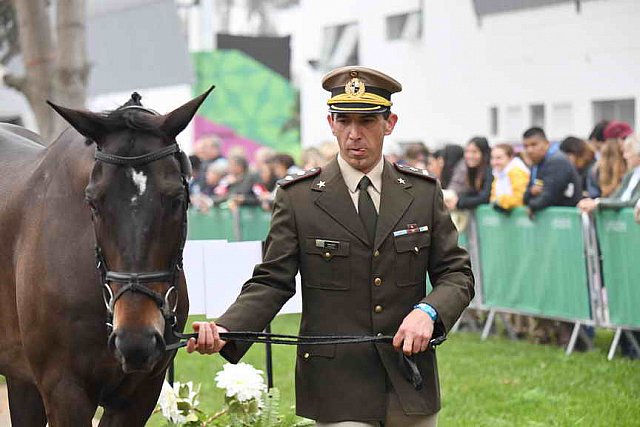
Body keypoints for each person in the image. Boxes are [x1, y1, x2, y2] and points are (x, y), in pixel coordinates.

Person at [186, 66, 474, 427]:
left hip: (409, 378)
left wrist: (428, 313)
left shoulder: (422, 193)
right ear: (331, 123)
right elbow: (273, 281)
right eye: (344, 121)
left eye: (367, 121)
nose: (355, 134)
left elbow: (456, 274)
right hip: (336, 384)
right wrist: (228, 329)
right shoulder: (299, 199)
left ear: (390, 123)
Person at [522, 127, 582, 214]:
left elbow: (550, 196)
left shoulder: (557, 161)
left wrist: (532, 205)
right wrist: (531, 193)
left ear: (547, 144)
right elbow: (525, 196)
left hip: (565, 218)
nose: (529, 150)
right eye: (526, 146)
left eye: (534, 145)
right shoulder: (536, 164)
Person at [577, 134, 640, 214]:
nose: (624, 156)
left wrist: (598, 203)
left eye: (627, 151)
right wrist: (594, 202)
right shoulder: (630, 174)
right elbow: (615, 197)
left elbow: (632, 203)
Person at [445, 137, 493, 211]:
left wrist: (458, 203)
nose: (470, 156)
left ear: (483, 153)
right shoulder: (472, 170)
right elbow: (471, 193)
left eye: (474, 152)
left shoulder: (490, 171)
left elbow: (485, 197)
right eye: (467, 151)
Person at [490, 143, 530, 211]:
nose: (494, 162)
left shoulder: (517, 172)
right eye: (492, 158)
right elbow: (493, 197)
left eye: (499, 158)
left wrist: (500, 201)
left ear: (510, 157)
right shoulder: (498, 173)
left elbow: (520, 198)